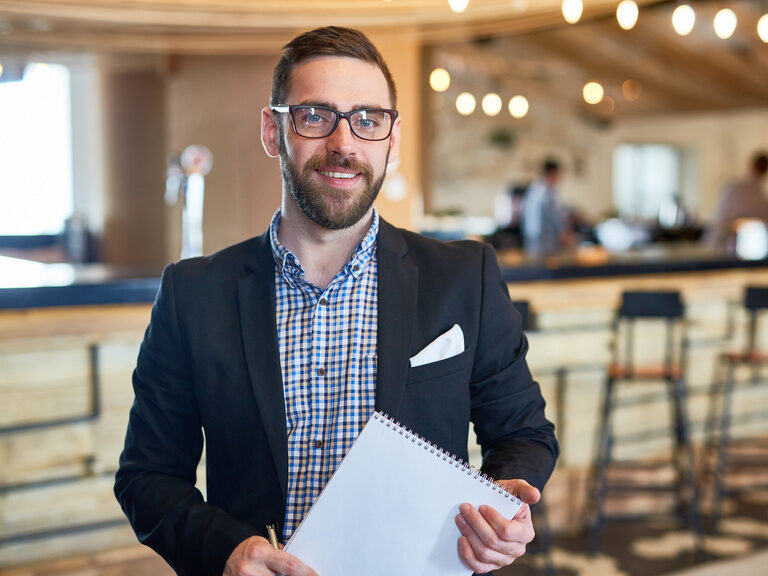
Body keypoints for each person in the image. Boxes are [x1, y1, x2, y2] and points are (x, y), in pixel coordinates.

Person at [114, 26, 558, 576]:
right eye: (316, 115)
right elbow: (146, 476)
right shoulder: (192, 294)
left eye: (368, 119)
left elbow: (523, 434)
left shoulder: (466, 276)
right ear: (273, 131)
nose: (344, 144)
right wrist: (225, 551)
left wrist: (507, 502)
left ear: (391, 140)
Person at [705, 151, 768, 248]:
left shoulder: (739, 187)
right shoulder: (739, 189)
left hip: (736, 245)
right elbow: (735, 223)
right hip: (724, 242)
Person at [521, 158, 570, 255]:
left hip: (531, 235)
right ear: (552, 173)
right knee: (546, 266)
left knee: (534, 264)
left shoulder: (534, 188)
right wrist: (564, 231)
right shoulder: (548, 191)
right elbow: (556, 215)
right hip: (545, 238)